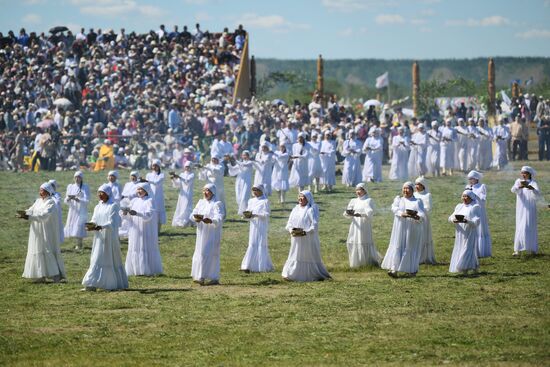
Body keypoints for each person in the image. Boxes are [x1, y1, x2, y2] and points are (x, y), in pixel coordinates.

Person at [81, 184, 129, 291]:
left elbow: (112, 222)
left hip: (109, 237)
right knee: (96, 258)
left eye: (102, 193)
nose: (99, 195)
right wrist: (91, 226)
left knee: (108, 258)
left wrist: (100, 226)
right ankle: (91, 284)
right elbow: (94, 219)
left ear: (107, 194)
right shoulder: (97, 206)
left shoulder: (113, 206)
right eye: (98, 192)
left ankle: (110, 284)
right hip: (99, 237)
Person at [20, 182, 66, 283]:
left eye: (42, 190)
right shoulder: (38, 201)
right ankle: (40, 276)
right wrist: (24, 213)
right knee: (38, 249)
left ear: (48, 191)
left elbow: (44, 215)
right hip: (37, 231)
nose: (40, 192)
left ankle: (56, 276)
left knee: (47, 250)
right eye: (40, 190)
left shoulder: (51, 203)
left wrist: (29, 217)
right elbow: (31, 210)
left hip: (46, 231)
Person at [282, 190, 331, 282]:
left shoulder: (310, 209)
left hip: (307, 238)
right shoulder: (295, 209)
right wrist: (291, 230)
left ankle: (309, 275)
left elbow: (314, 225)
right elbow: (289, 223)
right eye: (299, 196)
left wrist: (305, 232)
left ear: (308, 198)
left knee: (305, 255)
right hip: (296, 237)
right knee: (295, 253)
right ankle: (290, 274)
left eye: (303, 197)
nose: (300, 198)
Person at [381, 182, 425, 277]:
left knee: (409, 247)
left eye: (408, 188)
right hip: (400, 227)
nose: (405, 190)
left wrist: (417, 217)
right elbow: (394, 208)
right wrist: (402, 214)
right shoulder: (398, 199)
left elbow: (422, 214)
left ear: (412, 190)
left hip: (412, 228)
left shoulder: (417, 201)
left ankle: (412, 270)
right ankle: (394, 269)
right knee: (398, 245)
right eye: (404, 188)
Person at [124, 182, 163, 276]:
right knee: (135, 245)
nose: (139, 191)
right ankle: (135, 269)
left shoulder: (150, 201)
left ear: (146, 191)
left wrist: (137, 214)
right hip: (135, 229)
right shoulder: (134, 201)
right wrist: (125, 213)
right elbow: (130, 213)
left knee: (144, 246)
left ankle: (146, 269)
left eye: (141, 189)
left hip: (146, 229)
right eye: (138, 189)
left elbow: (149, 215)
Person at [190, 183, 224, 285]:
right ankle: (200, 275)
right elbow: (192, 214)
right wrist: (195, 218)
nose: (205, 193)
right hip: (201, 231)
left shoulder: (217, 203)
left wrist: (212, 221)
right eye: (204, 190)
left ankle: (205, 277)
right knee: (200, 252)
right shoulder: (200, 202)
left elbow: (220, 216)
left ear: (212, 192)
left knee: (208, 253)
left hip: (212, 232)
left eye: (207, 190)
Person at [343, 183, 381, 268]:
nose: (358, 192)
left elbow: (370, 213)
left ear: (365, 190)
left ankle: (366, 263)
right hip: (355, 225)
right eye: (357, 190)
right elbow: (346, 214)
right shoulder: (353, 201)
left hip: (364, 224)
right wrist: (349, 213)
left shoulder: (368, 200)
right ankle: (355, 263)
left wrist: (360, 214)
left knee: (363, 241)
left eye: (360, 189)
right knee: (353, 240)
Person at [241, 184, 274, 273]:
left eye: (257, 190)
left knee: (260, 243)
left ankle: (261, 266)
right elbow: (248, 211)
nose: (255, 192)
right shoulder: (251, 201)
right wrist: (246, 216)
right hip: (253, 225)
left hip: (261, 225)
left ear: (261, 191)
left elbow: (266, 214)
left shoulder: (265, 201)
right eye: (253, 190)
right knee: (252, 242)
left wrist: (256, 215)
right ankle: (248, 265)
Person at [448, 190, 481, 275]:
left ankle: (463, 268)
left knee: (467, 248)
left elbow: (476, 221)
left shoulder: (475, 207)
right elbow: (451, 217)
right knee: (462, 247)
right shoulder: (459, 206)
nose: (464, 198)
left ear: (471, 198)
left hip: (469, 231)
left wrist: (467, 221)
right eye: (463, 196)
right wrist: (453, 220)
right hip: (460, 231)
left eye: (466, 196)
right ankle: (474, 266)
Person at [511, 166, 541, 255]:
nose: (523, 175)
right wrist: (519, 187)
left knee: (528, 226)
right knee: (520, 226)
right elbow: (513, 190)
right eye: (522, 173)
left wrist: (531, 188)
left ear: (529, 174)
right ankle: (517, 249)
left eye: (525, 173)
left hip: (530, 208)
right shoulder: (518, 181)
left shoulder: (533, 182)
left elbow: (538, 194)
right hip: (521, 207)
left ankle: (531, 249)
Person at [465, 170, 492, 258]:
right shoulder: (467, 187)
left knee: (480, 229)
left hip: (479, 210)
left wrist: (473, 194)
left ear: (476, 179)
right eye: (469, 179)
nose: (470, 180)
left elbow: (483, 199)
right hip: (471, 211)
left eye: (471, 178)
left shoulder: (482, 186)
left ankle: (481, 251)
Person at [64, 171, 89, 251]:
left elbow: (87, 200)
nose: (77, 179)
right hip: (73, 209)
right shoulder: (70, 187)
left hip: (81, 210)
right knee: (73, 225)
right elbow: (65, 199)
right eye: (76, 177)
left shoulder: (85, 187)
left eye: (79, 177)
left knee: (79, 226)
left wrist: (78, 200)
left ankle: (79, 244)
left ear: (81, 178)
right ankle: (76, 243)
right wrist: (69, 198)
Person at [414, 177, 436, 264]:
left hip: (423, 219)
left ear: (423, 185)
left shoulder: (427, 195)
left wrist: (420, 212)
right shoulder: (414, 194)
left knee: (423, 236)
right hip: (414, 218)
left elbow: (428, 208)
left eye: (418, 184)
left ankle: (423, 257)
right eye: (415, 184)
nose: (416, 186)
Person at [228, 151, 254, 216]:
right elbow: (233, 169)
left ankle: (246, 212)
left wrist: (235, 160)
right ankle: (242, 212)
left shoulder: (250, 162)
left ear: (248, 156)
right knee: (239, 196)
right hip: (239, 181)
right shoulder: (240, 163)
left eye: (246, 155)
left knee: (245, 197)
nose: (244, 157)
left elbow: (244, 165)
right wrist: (229, 163)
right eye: (243, 155)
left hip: (247, 181)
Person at [170, 161, 195, 227]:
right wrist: (174, 179)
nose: (187, 168)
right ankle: (179, 220)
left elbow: (187, 181)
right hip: (182, 194)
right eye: (186, 167)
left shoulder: (192, 174)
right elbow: (177, 185)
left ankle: (186, 220)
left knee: (186, 206)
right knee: (181, 206)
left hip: (188, 193)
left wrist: (179, 177)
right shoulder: (182, 174)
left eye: (188, 167)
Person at [145, 159, 166, 234]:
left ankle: (158, 230)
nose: (154, 167)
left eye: (156, 166)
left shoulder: (161, 175)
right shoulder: (148, 175)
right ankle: (151, 229)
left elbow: (156, 183)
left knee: (158, 210)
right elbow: (146, 185)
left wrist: (147, 181)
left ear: (159, 167)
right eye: (153, 165)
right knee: (151, 210)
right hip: (150, 195)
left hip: (158, 196)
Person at [119, 171, 140, 237]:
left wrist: (126, 196)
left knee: (130, 217)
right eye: (131, 176)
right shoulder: (127, 184)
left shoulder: (139, 184)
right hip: (124, 202)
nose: (133, 177)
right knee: (123, 215)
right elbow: (123, 192)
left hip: (133, 203)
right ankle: (122, 230)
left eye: (134, 176)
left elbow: (136, 194)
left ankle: (130, 231)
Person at [48, 179, 64, 244]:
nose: (51, 187)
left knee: (56, 229)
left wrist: (52, 197)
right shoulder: (47, 194)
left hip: (56, 215)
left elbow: (57, 202)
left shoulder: (57, 194)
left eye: (52, 185)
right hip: (48, 215)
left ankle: (56, 244)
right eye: (50, 186)